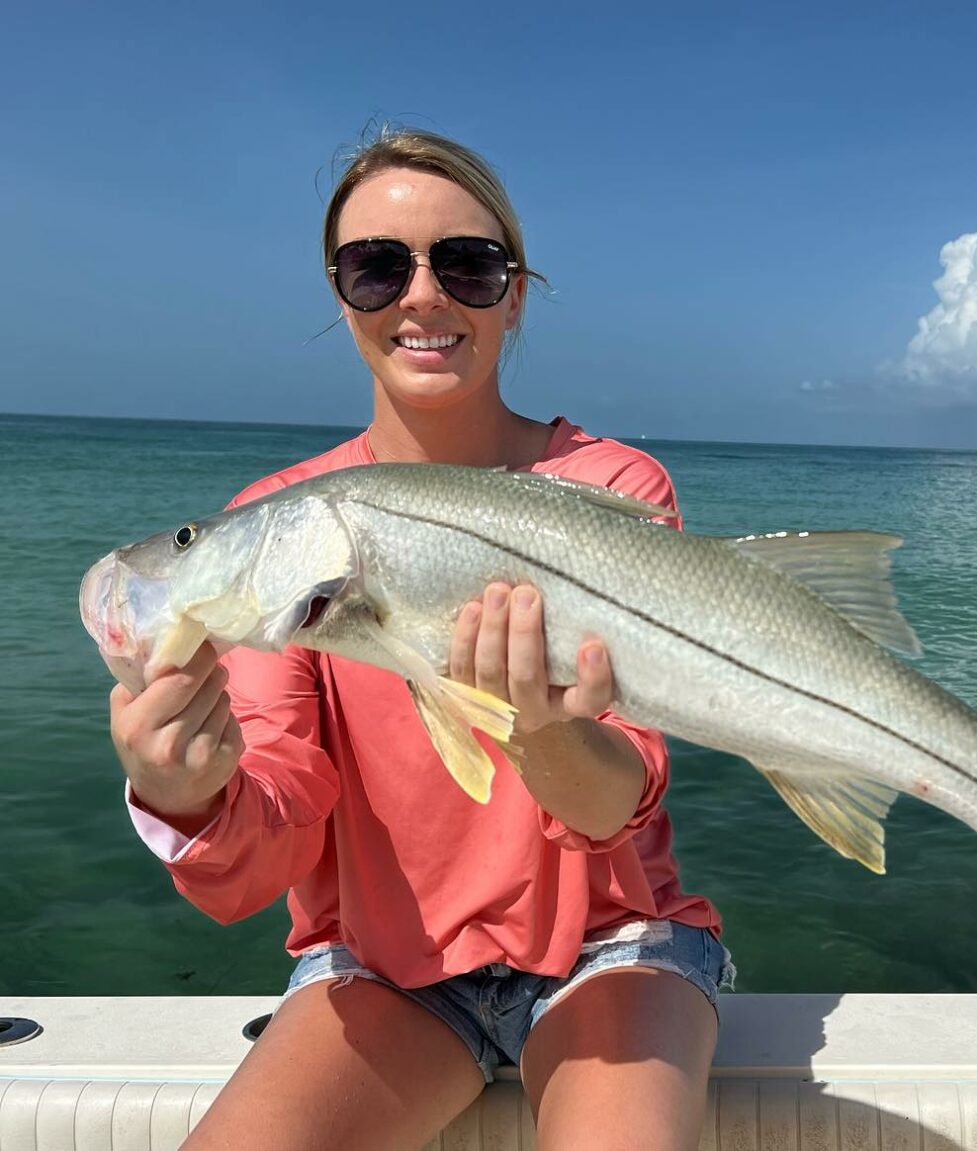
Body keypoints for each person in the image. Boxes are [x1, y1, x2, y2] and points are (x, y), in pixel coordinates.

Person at [106, 127, 728, 1151]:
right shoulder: (278, 523)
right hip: (384, 970)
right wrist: (189, 793)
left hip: (610, 946)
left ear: (514, 293)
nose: (423, 294)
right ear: (340, 294)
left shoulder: (611, 488)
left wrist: (543, 729)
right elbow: (271, 842)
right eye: (377, 266)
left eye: (468, 264)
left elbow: (617, 798)